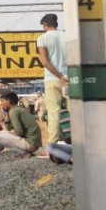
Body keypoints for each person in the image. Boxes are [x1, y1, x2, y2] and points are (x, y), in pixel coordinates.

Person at [37, 13, 67, 143]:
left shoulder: (42, 38)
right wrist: (65, 76)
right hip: (70, 78)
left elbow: (45, 62)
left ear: (44, 24)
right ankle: (79, 143)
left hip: (52, 79)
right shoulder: (67, 36)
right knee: (74, 111)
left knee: (54, 113)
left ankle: (53, 145)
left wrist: (59, 76)